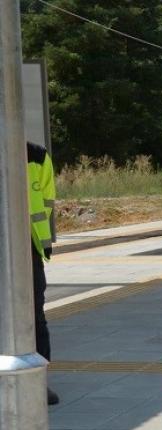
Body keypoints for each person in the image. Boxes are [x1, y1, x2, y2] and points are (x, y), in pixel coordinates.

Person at [26, 141, 59, 406]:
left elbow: (46, 200)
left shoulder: (37, 155)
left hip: (28, 247)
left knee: (36, 315)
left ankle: (38, 382)